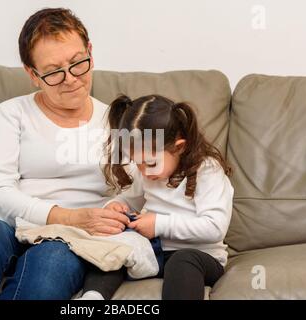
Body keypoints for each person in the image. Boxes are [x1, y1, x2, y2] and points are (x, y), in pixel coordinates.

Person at [0, 8, 130, 300]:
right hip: (9, 228)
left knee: (51, 259)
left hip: (70, 242)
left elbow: (135, 189)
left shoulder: (117, 123)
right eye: (54, 72)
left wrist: (112, 211)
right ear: (33, 75)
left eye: (78, 63)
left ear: (90, 51)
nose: (70, 79)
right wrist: (65, 216)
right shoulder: (9, 115)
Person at [79, 94, 235, 300]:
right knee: (114, 249)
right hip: (152, 252)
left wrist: (159, 224)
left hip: (201, 257)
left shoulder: (207, 170)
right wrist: (116, 205)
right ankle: (92, 298)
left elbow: (215, 227)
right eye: (138, 163)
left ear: (179, 147)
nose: (144, 172)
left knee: (182, 261)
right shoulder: (149, 170)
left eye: (151, 163)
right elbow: (130, 199)